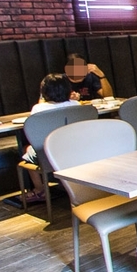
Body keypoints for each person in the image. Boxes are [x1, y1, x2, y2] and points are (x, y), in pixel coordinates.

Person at [22, 74, 80, 203]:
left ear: (44, 91)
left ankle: (39, 190)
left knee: (27, 149)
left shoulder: (38, 108)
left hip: (50, 154)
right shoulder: (76, 104)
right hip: (76, 151)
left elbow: (34, 133)